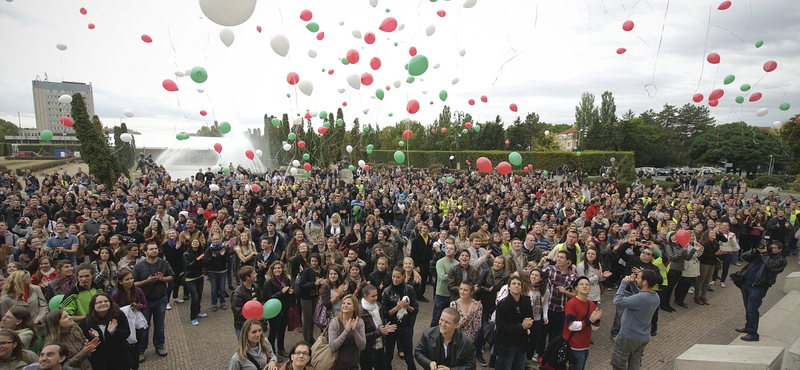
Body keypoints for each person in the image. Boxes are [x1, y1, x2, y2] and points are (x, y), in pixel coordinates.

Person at [735, 239, 787, 341]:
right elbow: (745, 256)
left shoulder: (781, 260)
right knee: (748, 307)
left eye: (774, 248)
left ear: (780, 250)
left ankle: (753, 334)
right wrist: (756, 251)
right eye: (770, 247)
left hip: (758, 287)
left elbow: (771, 266)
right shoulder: (763, 254)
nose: (771, 249)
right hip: (747, 285)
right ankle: (748, 326)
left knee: (752, 309)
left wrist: (764, 254)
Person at [132, 243, 174, 362]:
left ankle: (159, 346)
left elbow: (172, 276)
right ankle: (141, 350)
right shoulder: (139, 266)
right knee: (144, 326)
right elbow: (134, 283)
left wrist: (163, 279)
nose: (154, 251)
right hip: (145, 301)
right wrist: (147, 281)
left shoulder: (163, 263)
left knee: (160, 325)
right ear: (145, 252)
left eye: (155, 249)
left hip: (160, 299)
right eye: (151, 249)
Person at [610, 270, 661, 370]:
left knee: (618, 363)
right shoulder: (655, 296)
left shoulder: (641, 298)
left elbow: (617, 300)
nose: (636, 279)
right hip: (643, 337)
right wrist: (633, 285)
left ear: (645, 282)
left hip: (628, 337)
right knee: (635, 363)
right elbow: (639, 295)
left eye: (638, 278)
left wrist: (624, 283)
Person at [78, 292, 131, 370]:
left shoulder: (118, 315)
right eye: (99, 302)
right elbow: (83, 341)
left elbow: (126, 333)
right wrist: (95, 338)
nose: (103, 304)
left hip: (119, 357)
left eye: (106, 301)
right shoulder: (86, 322)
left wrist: (113, 332)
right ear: (93, 305)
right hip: (99, 360)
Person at [382, 267, 418, 370]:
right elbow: (385, 313)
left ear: (403, 276)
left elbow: (415, 309)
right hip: (391, 326)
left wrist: (407, 307)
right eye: (393, 276)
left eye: (398, 277)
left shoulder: (409, 289)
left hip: (405, 326)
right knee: (388, 355)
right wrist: (396, 308)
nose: (395, 279)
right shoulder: (387, 291)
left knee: (409, 356)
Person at [563, 276, 602, 370]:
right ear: (576, 288)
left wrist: (597, 319)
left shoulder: (591, 304)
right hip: (574, 345)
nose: (584, 286)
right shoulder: (571, 304)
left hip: (585, 345)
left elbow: (595, 328)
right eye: (581, 284)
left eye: (587, 285)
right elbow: (571, 326)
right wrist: (589, 320)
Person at [494, 276, 533, 370]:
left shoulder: (526, 300)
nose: (516, 286)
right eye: (514, 284)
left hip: (522, 343)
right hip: (507, 345)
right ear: (508, 287)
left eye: (519, 284)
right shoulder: (502, 305)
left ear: (522, 288)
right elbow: (502, 328)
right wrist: (521, 326)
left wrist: (529, 323)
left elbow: (530, 317)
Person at [111, 270, 147, 369]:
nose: (130, 281)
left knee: (138, 342)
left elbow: (145, 304)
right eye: (127, 279)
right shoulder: (116, 295)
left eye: (131, 278)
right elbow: (115, 310)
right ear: (120, 282)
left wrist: (139, 306)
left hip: (137, 320)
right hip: (124, 322)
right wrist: (128, 308)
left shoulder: (138, 291)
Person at [327, 294, 366, 370]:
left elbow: (362, 346)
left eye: (348, 304)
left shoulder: (359, 322)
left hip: (353, 364)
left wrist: (354, 331)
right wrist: (346, 331)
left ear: (354, 307)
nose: (345, 305)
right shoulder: (335, 322)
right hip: (337, 365)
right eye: (343, 303)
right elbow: (332, 347)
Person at [360, 285, 394, 370]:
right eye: (373, 296)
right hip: (367, 350)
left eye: (376, 295)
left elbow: (381, 323)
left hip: (379, 345)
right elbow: (361, 336)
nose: (376, 298)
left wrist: (384, 328)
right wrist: (379, 332)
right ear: (365, 296)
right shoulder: (360, 312)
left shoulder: (378, 306)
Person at [263, 261, 293, 355]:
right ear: (272, 270)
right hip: (274, 311)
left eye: (279, 268)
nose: (277, 270)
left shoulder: (286, 280)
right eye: (275, 268)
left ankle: (281, 349)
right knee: (273, 332)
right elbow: (268, 298)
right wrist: (282, 292)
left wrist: (290, 293)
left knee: (282, 330)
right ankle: (272, 352)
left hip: (284, 308)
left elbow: (287, 296)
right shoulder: (269, 282)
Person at [298, 254, 323, 344]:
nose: (314, 263)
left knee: (313, 318)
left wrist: (322, 282)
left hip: (315, 297)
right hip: (306, 298)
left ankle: (311, 336)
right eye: (312, 261)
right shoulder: (307, 271)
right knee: (307, 319)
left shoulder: (320, 270)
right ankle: (306, 339)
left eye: (315, 261)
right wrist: (314, 284)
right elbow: (302, 285)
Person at [431, 241, 457, 327]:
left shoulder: (457, 264)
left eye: (451, 249)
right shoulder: (440, 262)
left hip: (452, 294)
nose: (448, 250)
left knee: (450, 319)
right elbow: (442, 277)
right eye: (447, 248)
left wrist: (449, 276)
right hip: (441, 294)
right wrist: (453, 276)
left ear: (455, 252)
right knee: (436, 318)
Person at [232, 266, 263, 339]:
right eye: (254, 273)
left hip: (255, 324)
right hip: (243, 327)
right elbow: (238, 312)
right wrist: (255, 318)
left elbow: (261, 300)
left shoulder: (256, 287)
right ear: (247, 277)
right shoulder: (237, 294)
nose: (256, 274)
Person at [182, 238, 207, 325]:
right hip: (190, 278)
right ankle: (193, 317)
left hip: (199, 276)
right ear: (191, 244)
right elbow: (188, 266)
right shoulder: (186, 254)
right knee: (195, 297)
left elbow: (204, 265)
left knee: (199, 296)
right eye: (194, 242)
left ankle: (198, 311)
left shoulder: (200, 253)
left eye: (197, 242)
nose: (195, 243)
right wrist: (198, 259)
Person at [204, 233, 229, 312]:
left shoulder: (224, 248)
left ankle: (223, 302)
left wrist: (222, 256)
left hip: (222, 271)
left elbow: (227, 260)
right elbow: (206, 261)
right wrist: (212, 258)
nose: (216, 241)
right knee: (214, 289)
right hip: (212, 271)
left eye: (217, 239)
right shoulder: (209, 249)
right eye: (214, 239)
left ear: (220, 239)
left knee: (222, 288)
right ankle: (214, 303)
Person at [410, 224, 433, 302]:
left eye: (425, 228)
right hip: (419, 263)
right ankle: (416, 295)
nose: (423, 229)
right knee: (417, 280)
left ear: (428, 230)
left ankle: (421, 295)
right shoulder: (416, 239)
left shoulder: (429, 239)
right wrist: (416, 265)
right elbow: (414, 253)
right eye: (422, 228)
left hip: (426, 263)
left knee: (424, 280)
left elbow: (430, 250)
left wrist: (431, 258)